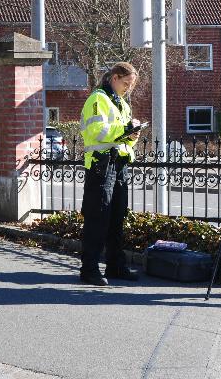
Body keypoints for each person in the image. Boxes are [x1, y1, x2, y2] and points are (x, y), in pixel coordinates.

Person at [79, 62, 141, 286]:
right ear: (114, 78)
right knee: (98, 218)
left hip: (118, 165)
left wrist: (131, 137)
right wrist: (125, 131)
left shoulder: (121, 103)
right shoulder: (98, 99)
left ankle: (115, 265)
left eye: (130, 85)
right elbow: (97, 131)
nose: (128, 89)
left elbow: (120, 136)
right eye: (126, 83)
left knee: (116, 218)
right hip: (100, 165)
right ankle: (89, 269)